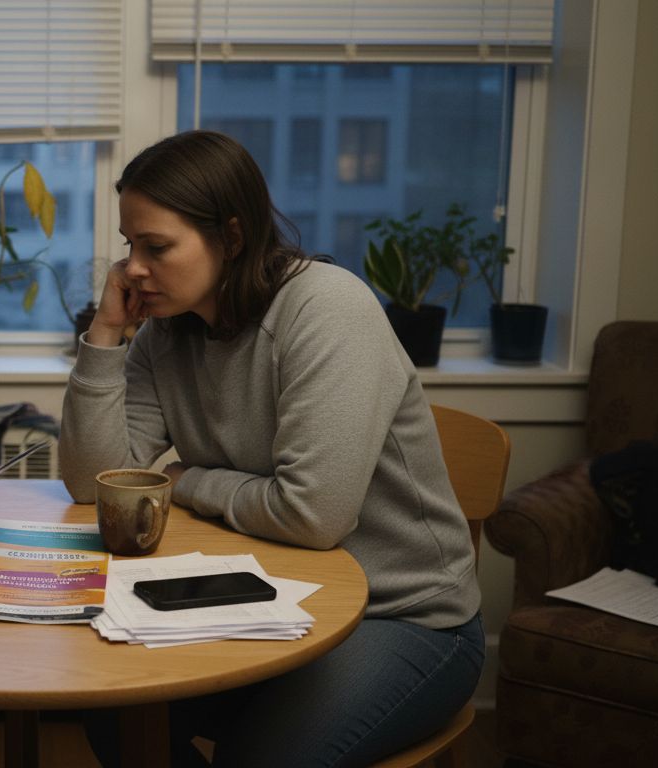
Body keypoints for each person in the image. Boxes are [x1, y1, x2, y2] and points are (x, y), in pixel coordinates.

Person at [59, 130, 484, 767]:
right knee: (112, 706)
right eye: (130, 245)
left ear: (230, 238)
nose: (133, 268)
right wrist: (105, 333)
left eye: (157, 247)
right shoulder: (163, 333)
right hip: (265, 598)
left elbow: (314, 516)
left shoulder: (325, 308)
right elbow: (93, 483)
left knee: (255, 758)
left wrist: (189, 479)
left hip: (402, 615)